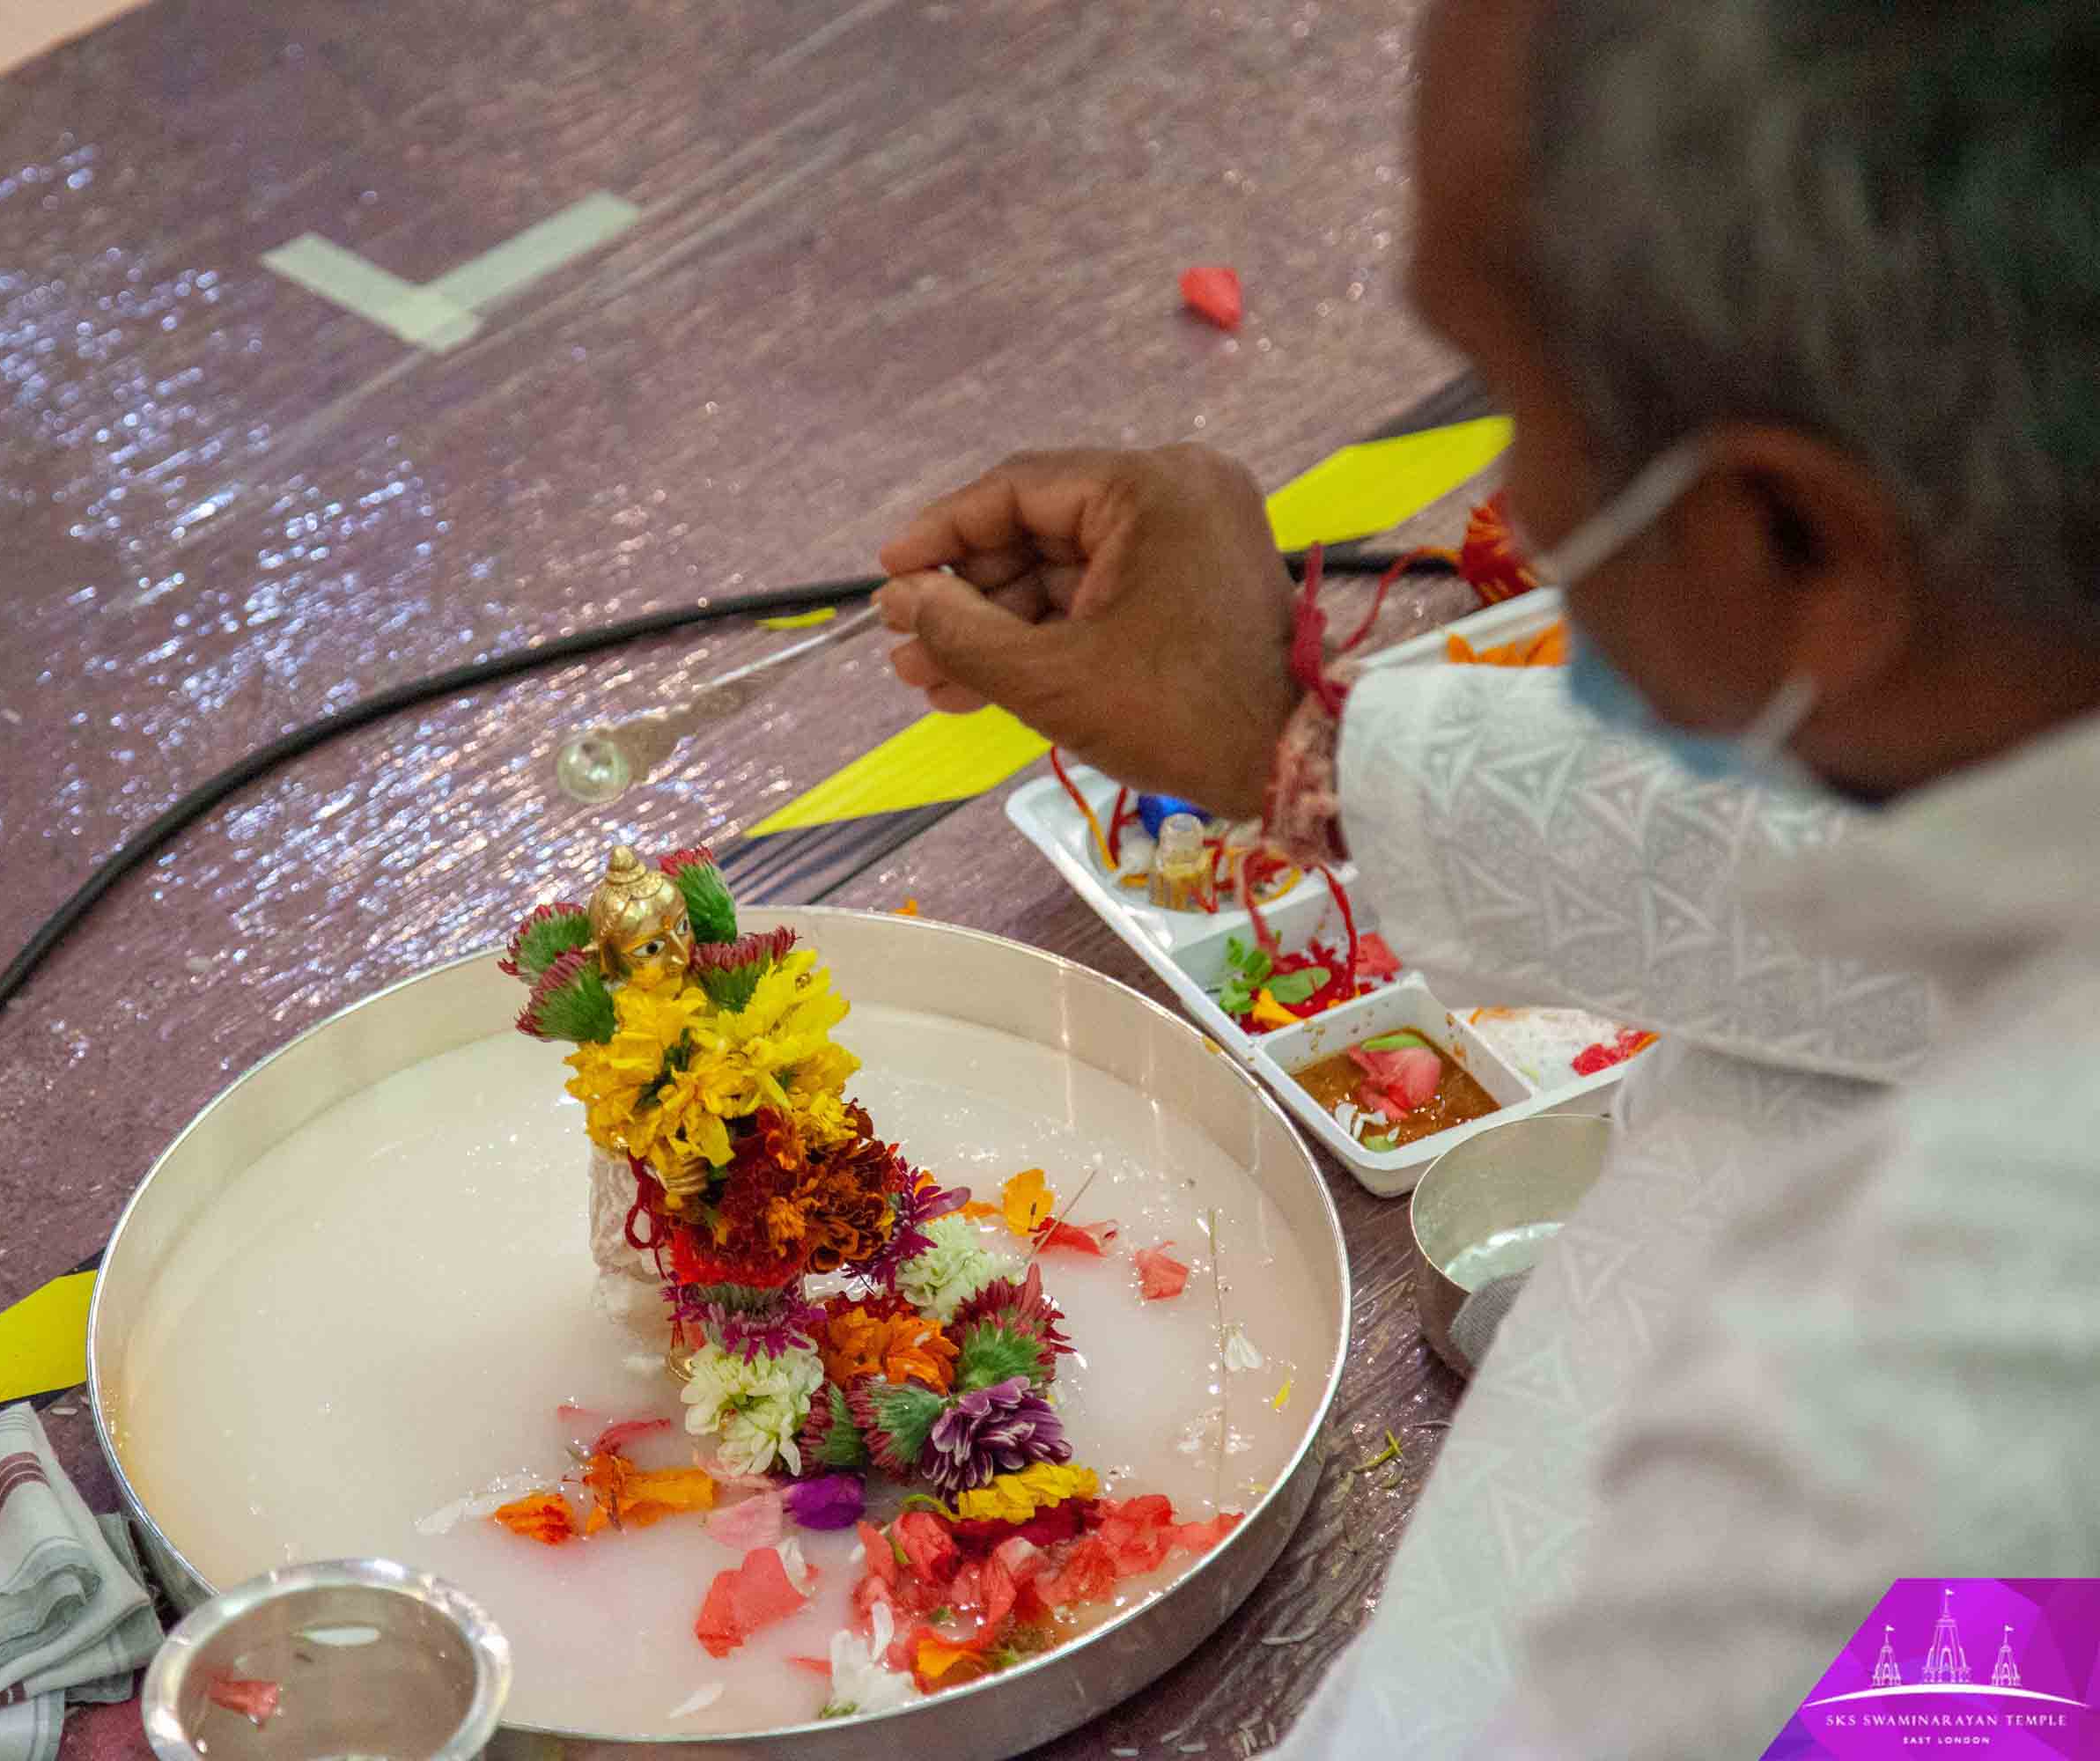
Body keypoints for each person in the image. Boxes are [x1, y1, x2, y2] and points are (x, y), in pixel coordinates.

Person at [871, 1, 2100, 1755]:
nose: (1508, 495)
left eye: (1517, 396)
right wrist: (1285, 741)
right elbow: (1884, 892)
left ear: (1794, 539)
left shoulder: (1922, 1430)